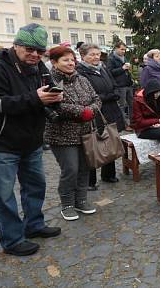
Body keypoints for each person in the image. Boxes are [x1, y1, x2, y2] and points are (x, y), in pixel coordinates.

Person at [0, 24, 62, 256]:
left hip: (31, 139)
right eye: (29, 49)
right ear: (16, 45)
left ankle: (34, 225)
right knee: (3, 195)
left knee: (35, 186)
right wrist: (35, 98)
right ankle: (12, 239)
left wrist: (54, 98)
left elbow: (42, 96)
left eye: (39, 50)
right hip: (0, 143)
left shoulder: (39, 66)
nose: (35, 54)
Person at [45, 46, 101, 221]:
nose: (70, 63)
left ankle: (81, 199)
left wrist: (90, 110)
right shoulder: (49, 80)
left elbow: (96, 99)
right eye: (65, 60)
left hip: (85, 132)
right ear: (54, 63)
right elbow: (55, 105)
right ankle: (67, 203)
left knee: (85, 167)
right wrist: (80, 112)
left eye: (72, 60)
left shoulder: (82, 79)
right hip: (61, 134)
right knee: (70, 169)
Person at [77, 43, 125, 188]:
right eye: (92, 55)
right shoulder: (80, 72)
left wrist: (112, 94)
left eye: (97, 54)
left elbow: (114, 85)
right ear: (83, 56)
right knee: (92, 146)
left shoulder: (102, 68)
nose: (96, 57)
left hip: (110, 111)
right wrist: (109, 96)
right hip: (95, 113)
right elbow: (89, 96)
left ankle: (108, 174)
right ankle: (90, 181)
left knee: (110, 142)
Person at [132, 78, 160, 149]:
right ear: (149, 92)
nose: (157, 95)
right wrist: (156, 122)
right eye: (155, 93)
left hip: (159, 126)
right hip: (143, 129)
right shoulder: (138, 101)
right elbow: (139, 122)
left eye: (159, 92)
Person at [106, 41, 134, 130]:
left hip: (128, 84)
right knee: (122, 106)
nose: (123, 51)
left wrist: (129, 71)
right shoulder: (111, 58)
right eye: (122, 49)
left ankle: (133, 122)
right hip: (119, 86)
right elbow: (110, 72)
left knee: (132, 105)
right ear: (116, 48)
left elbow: (126, 71)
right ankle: (124, 125)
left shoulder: (124, 58)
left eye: (125, 50)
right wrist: (122, 68)